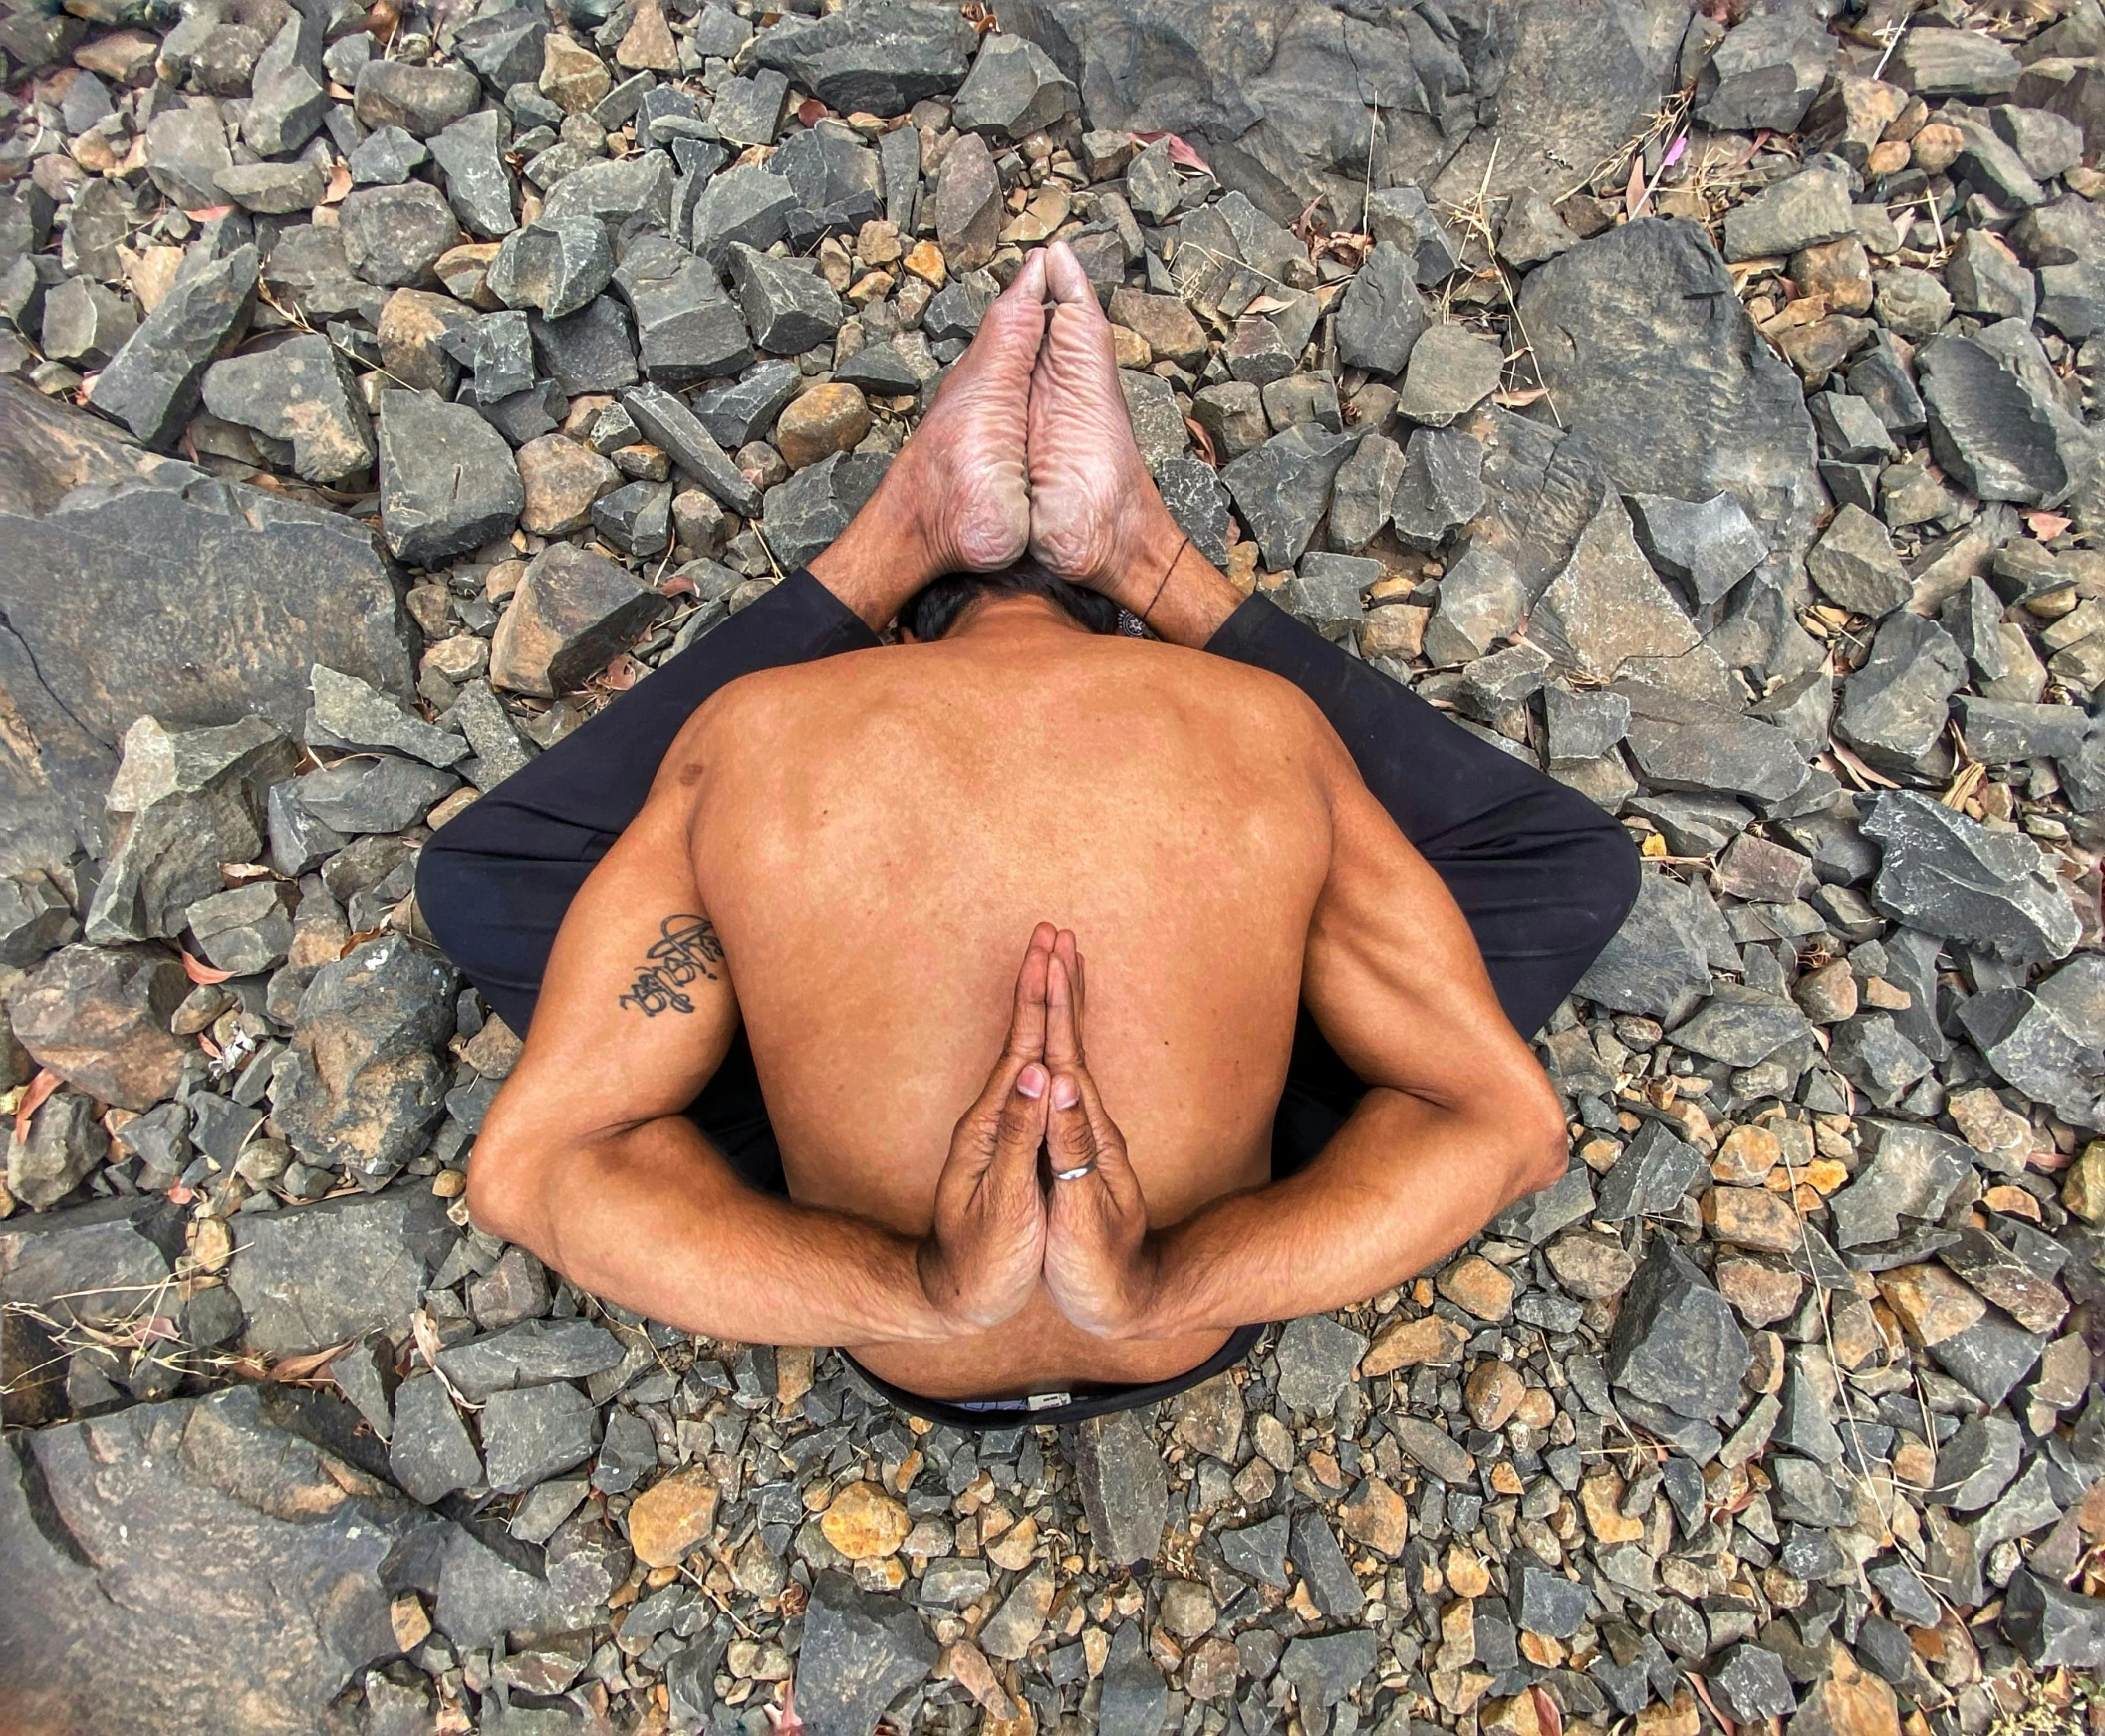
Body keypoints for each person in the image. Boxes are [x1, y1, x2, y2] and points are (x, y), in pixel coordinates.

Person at [415, 241, 1639, 1426]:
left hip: (886, 1319)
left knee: (491, 878)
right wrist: (1156, 1281)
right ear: (1121, 640)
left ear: (896, 643)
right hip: (1194, 1298)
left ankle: (892, 533)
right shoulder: (1258, 725)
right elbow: (1512, 1131)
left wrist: (933, 1287)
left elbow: (530, 1174)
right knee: (1559, 866)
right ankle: (1147, 551)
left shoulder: (762, 731)